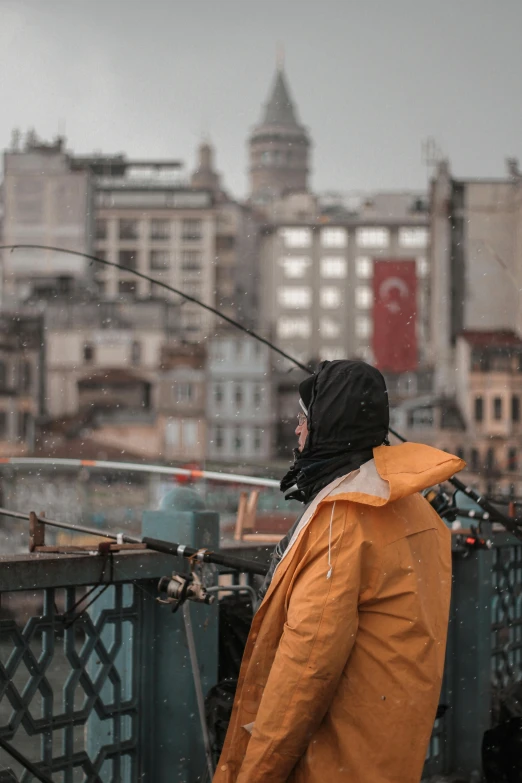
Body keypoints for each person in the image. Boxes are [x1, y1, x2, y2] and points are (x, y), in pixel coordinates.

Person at [214, 360, 464, 783]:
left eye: (304, 419)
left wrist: (253, 774)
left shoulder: (343, 524)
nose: (297, 430)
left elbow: (305, 673)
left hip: (334, 765)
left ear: (327, 427)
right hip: (387, 755)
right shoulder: (416, 509)